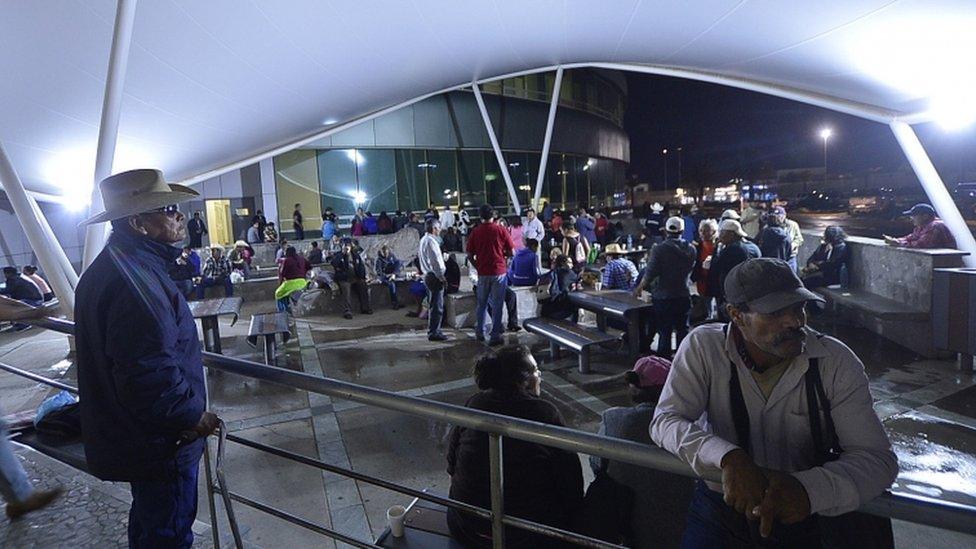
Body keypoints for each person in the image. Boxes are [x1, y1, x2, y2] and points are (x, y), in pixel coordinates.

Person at [651, 258, 898, 548]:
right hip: (720, 507)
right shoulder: (704, 348)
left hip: (807, 514)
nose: (795, 321)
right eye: (775, 312)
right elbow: (666, 421)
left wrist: (809, 491)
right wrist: (728, 457)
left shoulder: (835, 362)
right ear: (736, 315)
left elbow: (877, 459)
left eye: (799, 307)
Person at [74, 169, 220, 547]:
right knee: (167, 534)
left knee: (150, 526)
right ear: (138, 223)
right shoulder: (136, 283)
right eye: (168, 209)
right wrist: (193, 415)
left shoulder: (114, 267)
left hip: (136, 438)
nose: (179, 216)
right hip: (162, 443)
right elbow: (148, 376)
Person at [446, 346, 582, 548]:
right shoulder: (544, 413)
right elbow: (572, 481)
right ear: (523, 379)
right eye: (536, 370)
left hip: (465, 527)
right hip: (525, 538)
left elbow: (451, 463)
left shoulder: (475, 403)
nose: (540, 375)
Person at [587, 356, 693, 548]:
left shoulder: (614, 420)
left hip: (627, 524)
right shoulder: (690, 427)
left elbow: (596, 463)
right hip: (681, 528)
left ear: (635, 388)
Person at [635, 216, 697, 357]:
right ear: (682, 230)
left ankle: (664, 363)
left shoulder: (659, 249)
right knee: (682, 330)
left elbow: (650, 273)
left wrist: (639, 288)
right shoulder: (692, 249)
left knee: (665, 331)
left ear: (666, 230)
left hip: (663, 296)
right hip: (683, 294)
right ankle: (683, 359)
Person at [466, 205, 515, 345]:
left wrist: (478, 267)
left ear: (480, 216)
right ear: (493, 216)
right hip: (499, 272)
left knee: (481, 304)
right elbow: (512, 252)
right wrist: (506, 264)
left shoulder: (475, 232)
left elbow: (469, 255)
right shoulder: (501, 230)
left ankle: (479, 333)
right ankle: (495, 335)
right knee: (497, 304)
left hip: (483, 273)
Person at [708, 220, 761, 319]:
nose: (720, 236)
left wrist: (715, 249)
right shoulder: (753, 246)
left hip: (732, 292)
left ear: (731, 234)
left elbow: (715, 267)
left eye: (722, 233)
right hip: (750, 291)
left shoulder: (732, 249)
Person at [419, 220, 449, 341]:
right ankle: (434, 332)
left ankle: (433, 330)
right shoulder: (431, 242)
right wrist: (442, 277)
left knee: (433, 305)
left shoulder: (423, 240)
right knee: (437, 306)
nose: (440, 230)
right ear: (434, 228)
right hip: (434, 277)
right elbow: (436, 262)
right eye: (439, 228)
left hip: (428, 275)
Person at [885, 203, 957, 249]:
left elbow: (921, 245)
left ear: (925, 216)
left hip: (945, 266)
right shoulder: (921, 226)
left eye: (914, 216)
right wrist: (896, 240)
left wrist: (898, 243)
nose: (911, 218)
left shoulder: (935, 226)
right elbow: (910, 237)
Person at [331, 238, 372, 319]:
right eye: (345, 246)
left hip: (355, 277)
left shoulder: (355, 255)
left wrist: (362, 276)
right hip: (344, 278)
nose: (347, 247)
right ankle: (347, 311)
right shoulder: (338, 255)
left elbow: (361, 267)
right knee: (346, 290)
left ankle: (365, 308)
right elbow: (334, 263)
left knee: (363, 286)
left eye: (349, 245)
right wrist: (342, 254)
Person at [692, 219, 719, 320]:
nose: (703, 233)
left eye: (706, 230)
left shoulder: (719, 246)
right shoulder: (698, 246)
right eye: (701, 230)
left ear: (714, 231)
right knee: (706, 305)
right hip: (702, 280)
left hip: (715, 280)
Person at [541, 254, 579, 320]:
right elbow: (578, 280)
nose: (572, 265)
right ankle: (572, 327)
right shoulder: (569, 273)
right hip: (559, 310)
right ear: (563, 263)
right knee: (574, 307)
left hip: (545, 310)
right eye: (570, 263)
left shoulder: (551, 272)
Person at [276, 246, 310, 313]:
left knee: (278, 293)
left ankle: (282, 310)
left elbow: (282, 273)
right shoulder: (302, 258)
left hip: (291, 283)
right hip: (303, 282)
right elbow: (309, 267)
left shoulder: (287, 260)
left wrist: (280, 283)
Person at [375, 244, 403, 310]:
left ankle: (399, 301)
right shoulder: (379, 260)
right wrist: (386, 276)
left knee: (399, 262)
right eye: (384, 253)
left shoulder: (391, 256)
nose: (385, 254)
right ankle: (395, 303)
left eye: (386, 253)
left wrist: (394, 274)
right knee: (391, 284)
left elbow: (397, 264)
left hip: (392, 274)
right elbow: (378, 271)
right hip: (383, 277)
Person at [776, 206, 804, 272]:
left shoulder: (793, 225)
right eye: (776, 216)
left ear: (784, 215)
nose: (778, 218)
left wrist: (793, 245)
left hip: (790, 257)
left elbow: (799, 239)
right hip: (778, 256)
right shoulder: (773, 225)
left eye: (780, 215)